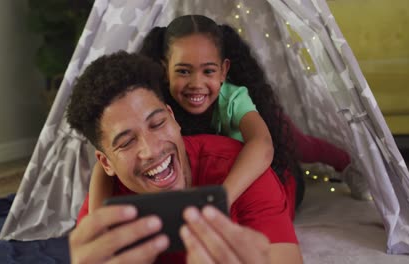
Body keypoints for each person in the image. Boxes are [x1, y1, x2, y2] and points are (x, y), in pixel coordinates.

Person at [87, 14, 369, 216]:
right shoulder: (155, 101)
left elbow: (262, 145)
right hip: (212, 172)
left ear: (223, 70)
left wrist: (222, 198)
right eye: (183, 71)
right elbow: (107, 159)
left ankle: (345, 162)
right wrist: (97, 223)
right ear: (164, 68)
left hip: (265, 169)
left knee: (295, 141)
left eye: (208, 71)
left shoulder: (233, 97)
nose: (196, 83)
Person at [66, 51, 303, 263]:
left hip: (287, 180)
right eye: (126, 142)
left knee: (298, 152)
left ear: (173, 118)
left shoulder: (239, 166)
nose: (152, 150)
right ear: (106, 162)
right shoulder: (104, 210)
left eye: (158, 124)